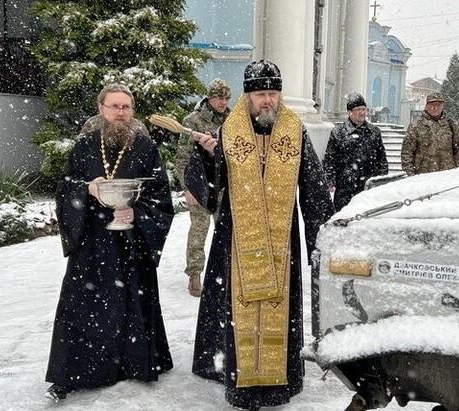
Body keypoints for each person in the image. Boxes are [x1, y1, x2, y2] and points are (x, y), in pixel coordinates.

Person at [185, 60, 334, 410]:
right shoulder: (228, 131)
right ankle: (240, 380)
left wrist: (322, 238)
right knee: (237, 306)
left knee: (280, 306)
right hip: (237, 236)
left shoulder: (294, 130)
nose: (267, 101)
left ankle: (280, 380)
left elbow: (312, 187)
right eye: (260, 94)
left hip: (283, 240)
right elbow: (212, 188)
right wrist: (207, 158)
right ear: (248, 95)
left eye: (273, 93)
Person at [45, 83, 174, 400]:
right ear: (101, 109)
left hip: (131, 243)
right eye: (114, 106)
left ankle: (133, 363)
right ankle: (73, 372)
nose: (120, 113)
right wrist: (86, 190)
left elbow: (161, 195)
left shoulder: (145, 147)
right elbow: (65, 186)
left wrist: (137, 212)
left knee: (132, 301)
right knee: (83, 306)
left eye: (126, 107)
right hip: (92, 243)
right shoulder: (86, 145)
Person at [175, 78, 232, 297]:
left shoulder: (233, 120)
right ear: (210, 98)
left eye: (227, 98)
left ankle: (224, 271)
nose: (223, 102)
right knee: (199, 230)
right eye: (219, 97)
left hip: (223, 186)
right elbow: (182, 158)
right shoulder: (193, 121)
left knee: (224, 231)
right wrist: (187, 188)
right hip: (199, 185)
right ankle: (195, 275)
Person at [323, 92, 388, 211]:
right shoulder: (338, 132)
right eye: (358, 109)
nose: (362, 112)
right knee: (343, 220)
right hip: (345, 187)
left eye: (364, 109)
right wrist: (329, 180)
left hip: (369, 187)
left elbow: (382, 159)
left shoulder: (374, 132)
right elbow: (330, 159)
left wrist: (382, 179)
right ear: (349, 112)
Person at [401, 92, 459, 175]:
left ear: (443, 106)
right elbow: (407, 151)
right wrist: (409, 173)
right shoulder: (416, 125)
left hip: (447, 174)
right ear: (426, 106)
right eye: (432, 105)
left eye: (438, 105)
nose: (435, 108)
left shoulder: (451, 124)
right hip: (422, 174)